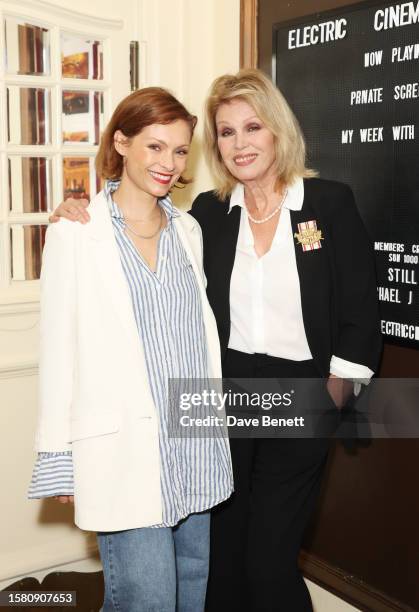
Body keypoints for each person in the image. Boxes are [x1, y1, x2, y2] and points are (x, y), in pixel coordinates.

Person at [49, 69, 382, 612]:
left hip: (301, 395)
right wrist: (74, 209)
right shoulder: (206, 214)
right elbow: (137, 217)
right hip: (221, 398)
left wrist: (335, 394)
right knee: (221, 556)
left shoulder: (328, 202)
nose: (240, 144)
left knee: (270, 558)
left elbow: (361, 310)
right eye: (226, 133)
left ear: (277, 131)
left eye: (252, 128)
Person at [28, 87, 233, 612]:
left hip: (194, 446)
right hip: (123, 453)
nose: (169, 163)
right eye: (155, 147)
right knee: (147, 600)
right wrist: (58, 456)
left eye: (181, 150)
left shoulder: (188, 231)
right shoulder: (77, 233)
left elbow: (197, 342)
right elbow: (58, 351)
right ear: (121, 142)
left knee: (193, 592)